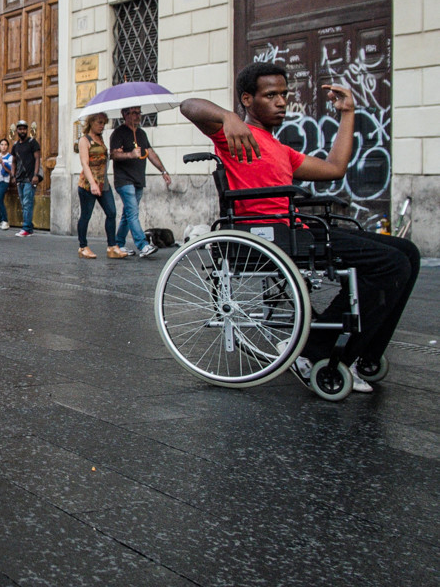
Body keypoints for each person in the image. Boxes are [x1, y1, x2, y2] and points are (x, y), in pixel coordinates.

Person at [180, 62, 420, 393]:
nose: (281, 102)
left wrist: (347, 113)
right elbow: (188, 106)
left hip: (296, 229)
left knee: (408, 252)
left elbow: (335, 168)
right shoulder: (233, 135)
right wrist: (228, 116)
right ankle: (315, 351)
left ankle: (364, 353)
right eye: (270, 95)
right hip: (270, 236)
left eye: (284, 94)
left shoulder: (281, 149)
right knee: (390, 264)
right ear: (247, 99)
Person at [110, 106, 171, 257]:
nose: (138, 116)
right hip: (124, 180)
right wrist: (131, 154)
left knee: (128, 214)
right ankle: (143, 245)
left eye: (139, 113)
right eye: (134, 113)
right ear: (125, 114)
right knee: (132, 213)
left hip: (138, 179)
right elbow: (114, 155)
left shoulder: (141, 134)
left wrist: (163, 171)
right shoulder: (118, 133)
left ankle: (118, 244)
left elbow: (151, 153)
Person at [76, 112, 126, 259]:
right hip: (87, 184)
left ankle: (112, 246)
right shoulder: (85, 140)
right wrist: (92, 183)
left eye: (104, 123)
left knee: (111, 212)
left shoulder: (101, 138)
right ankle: (82, 247)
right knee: (86, 215)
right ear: (91, 122)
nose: (102, 126)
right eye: (99, 122)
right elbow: (85, 163)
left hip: (103, 183)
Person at [10, 120, 41, 237]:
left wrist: (36, 175)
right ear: (17, 130)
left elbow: (37, 159)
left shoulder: (32, 142)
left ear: (27, 130)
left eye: (24, 129)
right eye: (20, 129)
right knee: (23, 203)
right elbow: (13, 161)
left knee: (27, 203)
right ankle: (29, 227)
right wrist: (13, 175)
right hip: (19, 178)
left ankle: (26, 228)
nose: (22, 131)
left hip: (29, 178)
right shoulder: (15, 145)